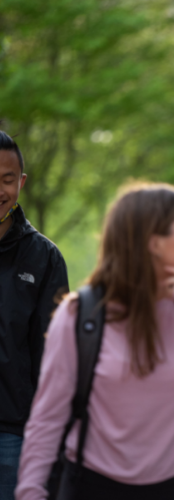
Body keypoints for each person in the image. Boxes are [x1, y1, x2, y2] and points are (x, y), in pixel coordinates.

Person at [15, 183, 174, 500]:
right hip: (92, 485)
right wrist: (30, 491)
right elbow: (47, 418)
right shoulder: (79, 314)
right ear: (154, 243)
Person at [0, 131, 68, 500]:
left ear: (21, 182)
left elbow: (55, 355)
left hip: (14, 432)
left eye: (7, 179)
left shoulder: (44, 257)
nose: (0, 190)